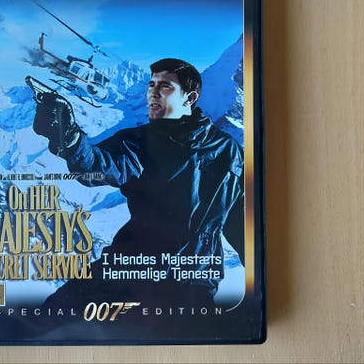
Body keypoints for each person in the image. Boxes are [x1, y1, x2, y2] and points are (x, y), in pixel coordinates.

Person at [32, 58, 244, 315]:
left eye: (164, 87)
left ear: (190, 98)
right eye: (151, 85)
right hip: (129, 268)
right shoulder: (139, 141)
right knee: (49, 318)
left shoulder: (230, 150)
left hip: (191, 282)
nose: (153, 93)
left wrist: (267, 280)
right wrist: (69, 137)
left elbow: (240, 221)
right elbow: (97, 165)